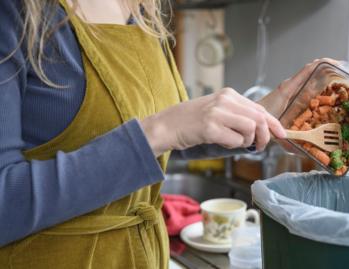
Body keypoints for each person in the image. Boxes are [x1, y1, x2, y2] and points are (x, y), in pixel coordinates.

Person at [0, 0, 319, 268]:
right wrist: (161, 130)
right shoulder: (15, 11)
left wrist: (259, 116)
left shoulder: (143, 9)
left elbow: (163, 140)